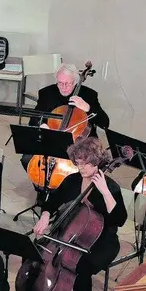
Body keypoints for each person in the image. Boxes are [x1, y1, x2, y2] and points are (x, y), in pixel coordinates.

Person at [9, 136, 126, 291]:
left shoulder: (111, 187)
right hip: (68, 235)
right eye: (78, 163)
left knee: (81, 270)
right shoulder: (72, 180)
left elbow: (119, 220)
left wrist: (105, 192)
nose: (81, 168)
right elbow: (52, 202)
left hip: (101, 241)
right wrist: (45, 216)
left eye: (86, 163)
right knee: (35, 250)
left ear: (97, 161)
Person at [23, 62, 111, 198]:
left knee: (79, 170)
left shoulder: (89, 95)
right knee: (27, 159)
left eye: (67, 84)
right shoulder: (47, 93)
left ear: (75, 82)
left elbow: (105, 123)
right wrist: (42, 125)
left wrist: (88, 108)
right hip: (52, 141)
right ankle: (42, 189)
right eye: (60, 83)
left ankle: (71, 194)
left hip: (80, 145)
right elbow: (34, 119)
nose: (63, 87)